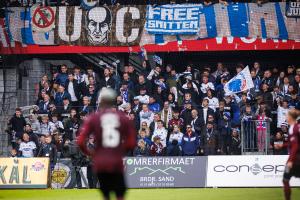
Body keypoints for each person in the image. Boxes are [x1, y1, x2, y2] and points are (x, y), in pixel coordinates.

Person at [77, 88, 136, 200]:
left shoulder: (94, 118)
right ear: (113, 100)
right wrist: (120, 152)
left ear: (101, 101)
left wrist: (90, 153)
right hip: (116, 161)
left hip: (101, 162)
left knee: (106, 194)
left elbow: (80, 141)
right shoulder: (122, 118)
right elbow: (132, 142)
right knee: (120, 194)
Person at [283, 109, 300, 200]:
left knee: (285, 179)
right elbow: (294, 143)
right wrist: (283, 145)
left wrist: (290, 161)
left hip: (296, 159)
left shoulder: (293, 128)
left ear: (290, 117)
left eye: (286, 115)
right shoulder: (297, 126)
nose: (285, 117)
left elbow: (296, 145)